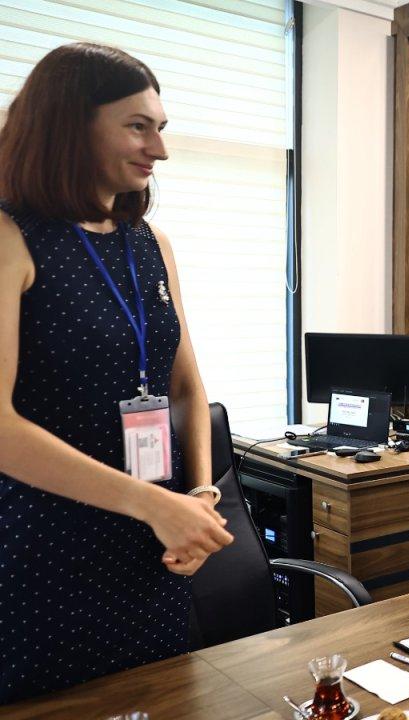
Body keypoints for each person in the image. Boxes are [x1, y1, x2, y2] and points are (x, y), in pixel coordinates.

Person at [0, 43, 234, 702]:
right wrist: (154, 503)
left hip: (153, 544)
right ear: (68, 124)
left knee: (161, 699)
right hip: (46, 547)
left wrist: (198, 494)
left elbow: (184, 386)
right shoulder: (10, 238)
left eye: (161, 128)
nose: (159, 149)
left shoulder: (151, 244)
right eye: (138, 126)